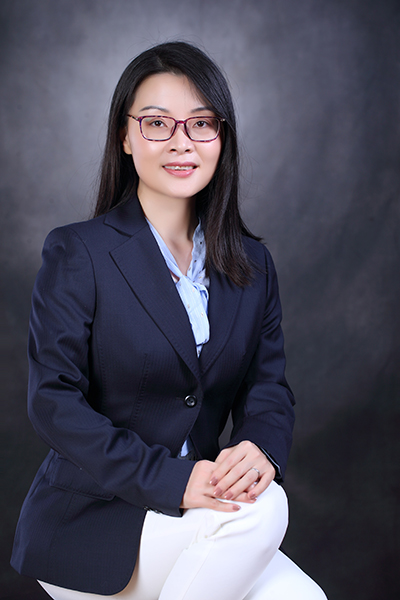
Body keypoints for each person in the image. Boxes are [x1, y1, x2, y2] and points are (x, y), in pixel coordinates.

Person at [11, 41, 327, 599]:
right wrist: (176, 479)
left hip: (203, 517)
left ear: (222, 137)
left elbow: (268, 389)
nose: (182, 141)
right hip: (95, 520)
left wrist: (260, 449)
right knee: (265, 511)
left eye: (201, 123)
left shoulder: (252, 265)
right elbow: (53, 402)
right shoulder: (79, 252)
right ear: (125, 136)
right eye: (157, 123)